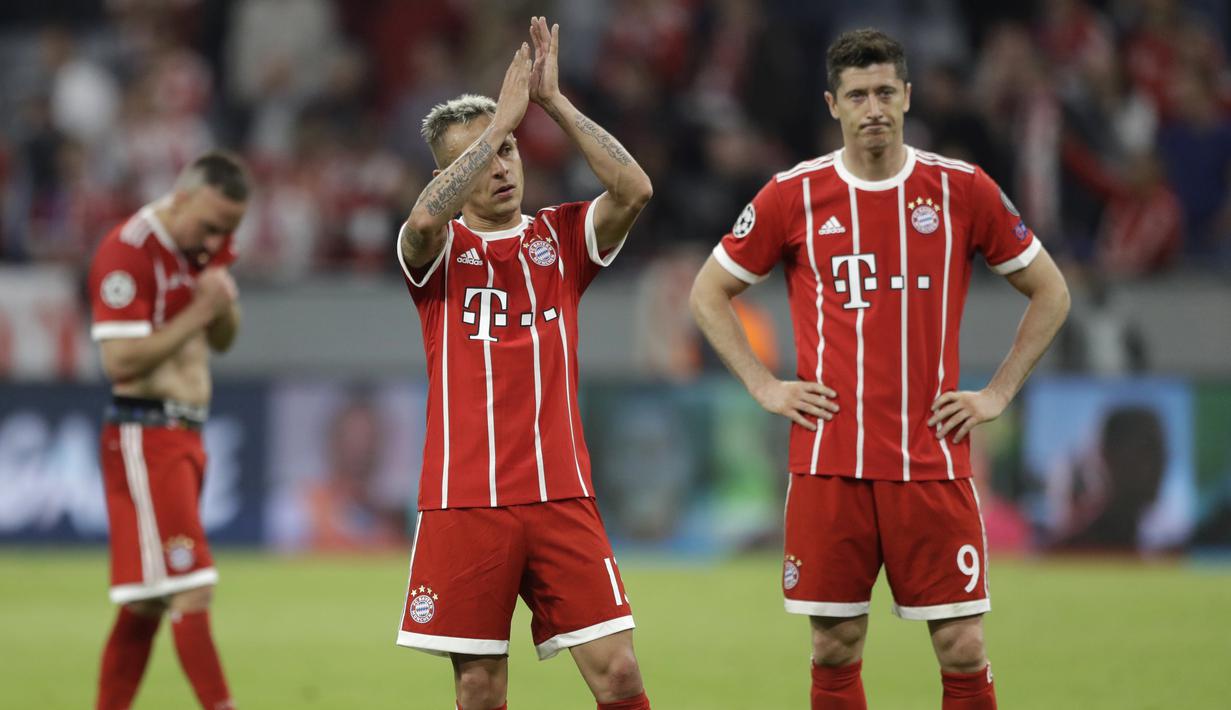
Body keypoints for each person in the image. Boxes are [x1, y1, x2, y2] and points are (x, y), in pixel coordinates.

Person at [689, 28, 1071, 710]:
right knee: (833, 645)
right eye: (858, 95)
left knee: (962, 647)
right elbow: (706, 292)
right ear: (833, 104)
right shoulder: (791, 195)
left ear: (907, 97)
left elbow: (1051, 291)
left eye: (885, 92)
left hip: (931, 461)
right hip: (830, 462)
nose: (873, 107)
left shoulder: (960, 188)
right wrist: (763, 384)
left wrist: (996, 392)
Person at [393, 17, 653, 710]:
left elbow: (633, 191)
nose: (501, 164)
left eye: (507, 147)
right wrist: (495, 122)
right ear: (447, 175)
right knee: (479, 689)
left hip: (560, 494)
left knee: (620, 673)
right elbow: (420, 225)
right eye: (481, 154)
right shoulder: (437, 253)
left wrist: (553, 103)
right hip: (463, 499)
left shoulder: (560, 239)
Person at [88, 151, 248, 710]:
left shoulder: (205, 239)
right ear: (181, 198)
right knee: (191, 586)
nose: (218, 239)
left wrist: (220, 305)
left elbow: (224, 336)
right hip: (145, 431)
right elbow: (121, 363)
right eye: (211, 225)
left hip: (185, 436)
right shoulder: (126, 252)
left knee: (146, 601)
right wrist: (201, 313)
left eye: (229, 230)